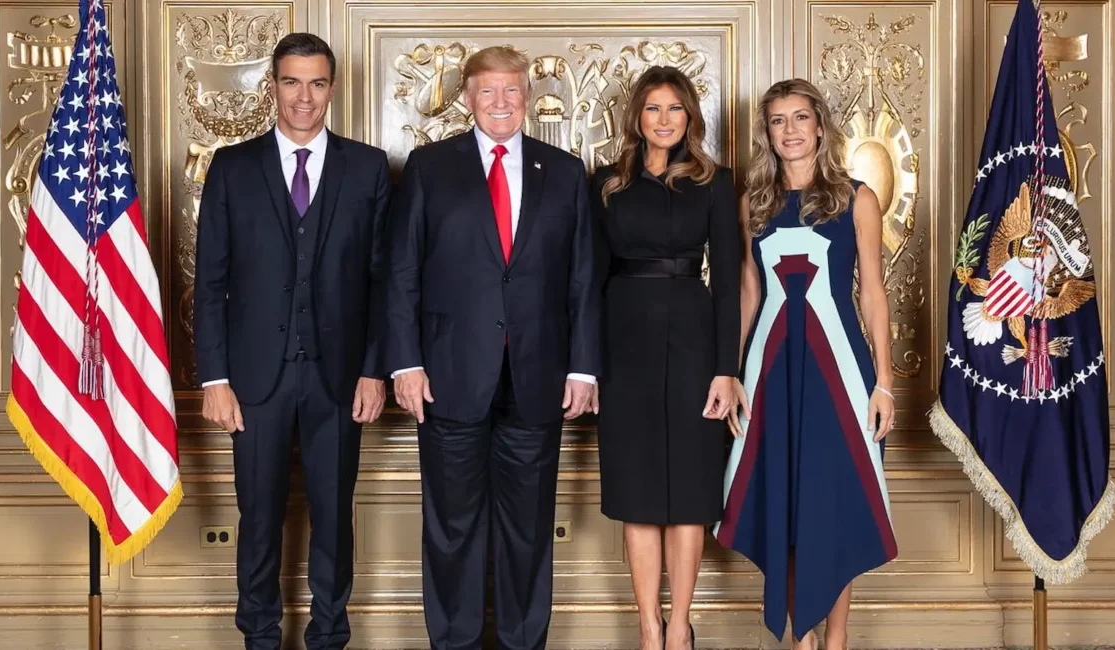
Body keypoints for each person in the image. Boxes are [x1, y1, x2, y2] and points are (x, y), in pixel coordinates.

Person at [384, 45, 600, 650]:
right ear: (467, 97)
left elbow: (582, 277)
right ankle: (452, 640)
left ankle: (523, 641)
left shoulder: (563, 171)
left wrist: (584, 368)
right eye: (487, 91)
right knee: (451, 529)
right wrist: (405, 361)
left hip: (539, 378)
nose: (500, 103)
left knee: (528, 530)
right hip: (449, 376)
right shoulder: (429, 168)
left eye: (511, 90)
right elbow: (402, 272)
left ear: (527, 96)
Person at [192, 33, 392, 650]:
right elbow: (210, 281)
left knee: (334, 517)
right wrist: (214, 379)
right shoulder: (231, 166)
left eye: (316, 83)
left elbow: (385, 280)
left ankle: (329, 636)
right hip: (254, 380)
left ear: (332, 88)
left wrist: (374, 370)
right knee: (258, 520)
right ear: (272, 86)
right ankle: (258, 636)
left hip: (340, 377)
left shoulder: (368, 168)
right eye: (290, 82)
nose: (304, 97)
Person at [714, 79, 898, 650]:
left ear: (821, 125)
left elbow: (873, 292)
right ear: (766, 132)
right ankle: (801, 638)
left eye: (800, 118)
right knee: (785, 501)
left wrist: (885, 384)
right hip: (771, 374)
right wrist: (734, 374)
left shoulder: (856, 199)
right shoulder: (752, 203)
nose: (789, 130)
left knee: (833, 506)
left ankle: (834, 639)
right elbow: (748, 291)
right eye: (777, 120)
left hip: (840, 376)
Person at [589, 65, 739, 650]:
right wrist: (588, 364)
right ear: (637, 117)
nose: (664, 119)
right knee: (639, 491)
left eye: (675, 108)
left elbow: (728, 282)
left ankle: (680, 626)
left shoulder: (714, 182)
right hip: (623, 341)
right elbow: (588, 280)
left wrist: (726, 368)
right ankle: (648, 627)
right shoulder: (607, 184)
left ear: (690, 117)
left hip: (695, 340)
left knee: (689, 493)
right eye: (653, 108)